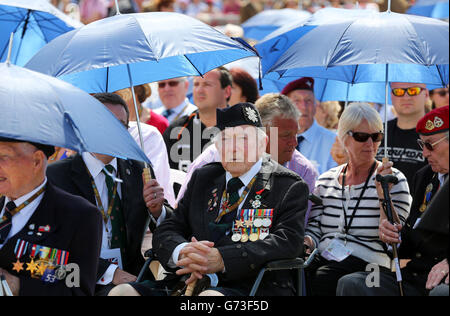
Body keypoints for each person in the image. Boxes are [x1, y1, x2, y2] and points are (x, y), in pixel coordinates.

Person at [111, 102, 309, 296]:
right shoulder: (204, 178)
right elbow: (169, 227)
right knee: (122, 292)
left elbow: (288, 242)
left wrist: (222, 259)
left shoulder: (287, 186)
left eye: (243, 140)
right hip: (187, 283)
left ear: (262, 143)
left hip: (251, 286)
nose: (233, 149)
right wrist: (184, 252)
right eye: (226, 141)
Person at [46, 93, 173, 295]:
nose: (114, 132)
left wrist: (158, 211)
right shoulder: (57, 175)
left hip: (133, 277)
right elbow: (52, 243)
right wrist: (108, 272)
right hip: (77, 279)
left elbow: (170, 229)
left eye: (121, 126)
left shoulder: (139, 169)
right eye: (105, 123)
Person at [337, 106, 449, 296]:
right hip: (416, 275)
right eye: (421, 145)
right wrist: (392, 227)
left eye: (430, 145)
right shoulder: (425, 177)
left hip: (443, 279)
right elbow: (412, 243)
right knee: (353, 283)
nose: (424, 154)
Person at [304, 103, 412, 296]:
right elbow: (314, 228)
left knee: (324, 278)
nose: (370, 144)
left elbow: (395, 239)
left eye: (376, 136)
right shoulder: (326, 179)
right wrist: (307, 242)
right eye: (362, 137)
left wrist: (383, 195)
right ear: (344, 137)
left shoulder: (393, 178)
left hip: (373, 266)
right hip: (327, 259)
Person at [176, 93, 319, 221]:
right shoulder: (214, 157)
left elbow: (294, 233)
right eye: (286, 135)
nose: (294, 143)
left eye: (296, 135)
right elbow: (181, 214)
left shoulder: (303, 171)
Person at [0, 138, 102, 296]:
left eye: (4, 156)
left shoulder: (78, 215)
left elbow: (77, 290)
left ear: (37, 161)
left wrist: (17, 286)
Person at [163, 67, 232, 172]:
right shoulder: (176, 129)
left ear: (227, 91)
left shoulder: (242, 129)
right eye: (196, 84)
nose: (199, 90)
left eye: (207, 84)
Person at [375, 82, 429, 191]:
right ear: (391, 96)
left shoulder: (437, 135)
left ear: (426, 94)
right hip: (379, 204)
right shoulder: (377, 133)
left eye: (413, 91)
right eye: (398, 91)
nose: (406, 97)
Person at [282, 77, 337, 175]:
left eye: (308, 101)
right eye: (297, 101)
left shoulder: (332, 142)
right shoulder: (274, 140)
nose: (304, 107)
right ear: (286, 107)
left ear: (316, 106)